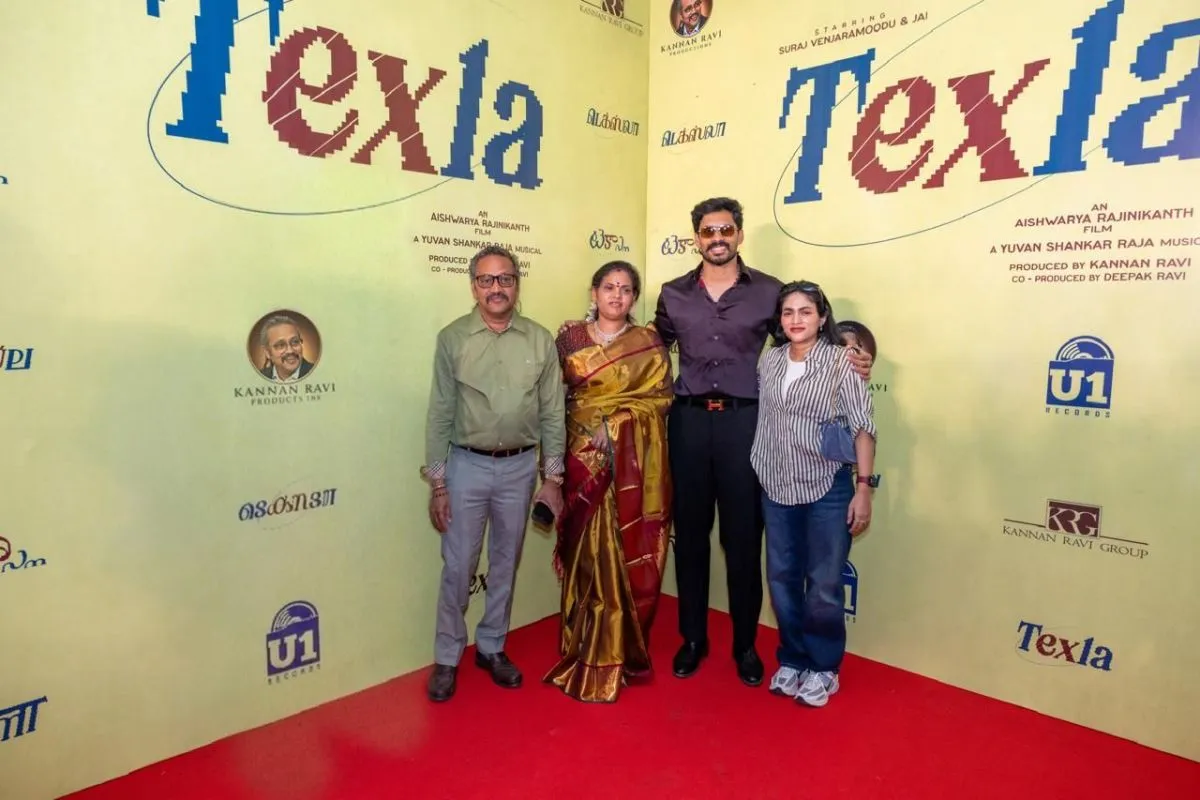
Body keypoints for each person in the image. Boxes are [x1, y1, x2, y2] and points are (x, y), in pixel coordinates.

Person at [653, 197, 873, 686]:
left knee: (743, 540)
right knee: (689, 538)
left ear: (739, 234)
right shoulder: (671, 294)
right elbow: (650, 351)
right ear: (696, 237)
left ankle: (746, 646)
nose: (717, 238)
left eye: (726, 229)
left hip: (747, 427)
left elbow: (803, 343)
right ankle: (693, 639)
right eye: (708, 231)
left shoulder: (769, 292)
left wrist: (852, 357)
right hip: (687, 424)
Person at [421, 244, 566, 703]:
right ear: (473, 287)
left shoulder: (541, 340)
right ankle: (447, 656)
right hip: (466, 467)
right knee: (459, 565)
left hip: (521, 469)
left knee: (505, 562)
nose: (496, 288)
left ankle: (491, 647)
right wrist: (439, 483)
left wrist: (553, 478)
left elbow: (553, 415)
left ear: (516, 284)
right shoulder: (452, 339)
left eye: (504, 279)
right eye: (486, 280)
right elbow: (440, 413)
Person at [543, 261, 674, 703]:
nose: (616, 296)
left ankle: (618, 650)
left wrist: (618, 424)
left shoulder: (647, 343)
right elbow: (552, 399)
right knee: (585, 556)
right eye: (608, 288)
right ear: (594, 292)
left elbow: (659, 400)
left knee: (621, 553)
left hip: (626, 465)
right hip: (579, 460)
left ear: (634, 298)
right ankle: (582, 646)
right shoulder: (570, 338)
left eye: (626, 289)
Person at [751, 281, 877, 708]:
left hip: (827, 487)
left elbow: (863, 428)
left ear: (822, 317)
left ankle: (824, 668)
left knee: (823, 584)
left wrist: (863, 489)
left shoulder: (842, 361)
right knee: (782, 580)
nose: (796, 320)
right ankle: (793, 659)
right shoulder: (768, 361)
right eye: (788, 312)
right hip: (777, 485)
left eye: (805, 311)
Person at [258, 315, 314, 382]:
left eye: (295, 342)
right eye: (281, 345)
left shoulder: (317, 373)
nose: (290, 351)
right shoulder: (257, 379)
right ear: (267, 352)